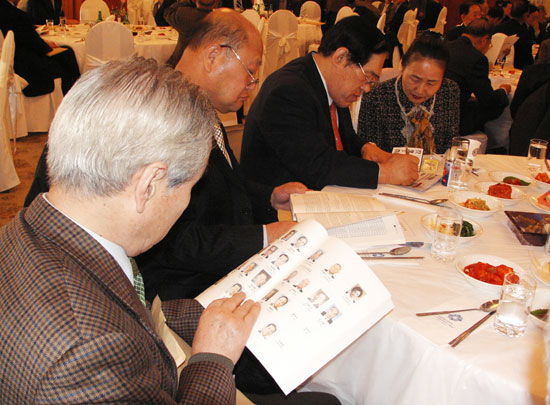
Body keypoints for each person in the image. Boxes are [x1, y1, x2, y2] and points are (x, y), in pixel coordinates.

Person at [0, 57, 261, 403]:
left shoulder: (31, 228)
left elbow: (118, 300)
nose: (187, 202)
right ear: (149, 184)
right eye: (191, 187)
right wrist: (213, 358)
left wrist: (197, 313)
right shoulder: (90, 351)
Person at [241, 17, 419, 191]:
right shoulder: (289, 91)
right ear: (341, 57)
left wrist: (365, 148)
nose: (366, 88)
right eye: (367, 77)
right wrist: (385, 172)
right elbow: (316, 165)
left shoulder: (331, 84)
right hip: (282, 202)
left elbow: (343, 136)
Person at [357, 34, 459, 154]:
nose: (420, 90)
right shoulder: (376, 97)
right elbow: (369, 154)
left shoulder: (449, 91)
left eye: (431, 83)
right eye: (415, 79)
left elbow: (451, 146)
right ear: (403, 66)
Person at [0, 0, 80, 97]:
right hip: (26, 70)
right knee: (67, 55)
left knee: (65, 52)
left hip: (8, 65)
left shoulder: (7, 11)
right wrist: (47, 46)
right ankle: (74, 98)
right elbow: (38, 46)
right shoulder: (15, 15)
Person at [445, 19, 510, 136]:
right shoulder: (477, 58)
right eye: (490, 44)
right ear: (484, 39)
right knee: (493, 106)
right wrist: (503, 91)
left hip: (437, 110)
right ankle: (497, 143)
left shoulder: (446, 46)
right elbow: (488, 100)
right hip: (456, 119)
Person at [164, 0, 214, 68]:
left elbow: (168, 12)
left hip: (179, 65)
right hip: (207, 66)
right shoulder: (219, 20)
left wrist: (189, 1)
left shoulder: (184, 14)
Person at [495, 1, 534, 69]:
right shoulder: (525, 32)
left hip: (500, 65)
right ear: (525, 14)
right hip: (519, 67)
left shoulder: (500, 27)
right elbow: (527, 57)